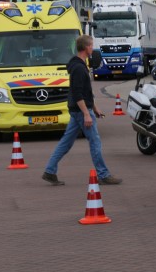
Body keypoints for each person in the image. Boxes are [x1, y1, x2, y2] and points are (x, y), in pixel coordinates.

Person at [42, 34, 122, 186]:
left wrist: (95, 108)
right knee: (95, 142)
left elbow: (86, 92)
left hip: (77, 110)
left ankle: (49, 171)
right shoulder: (79, 68)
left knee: (65, 143)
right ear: (86, 48)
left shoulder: (79, 65)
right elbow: (78, 93)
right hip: (80, 111)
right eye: (91, 45)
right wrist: (87, 114)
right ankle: (103, 174)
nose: (93, 48)